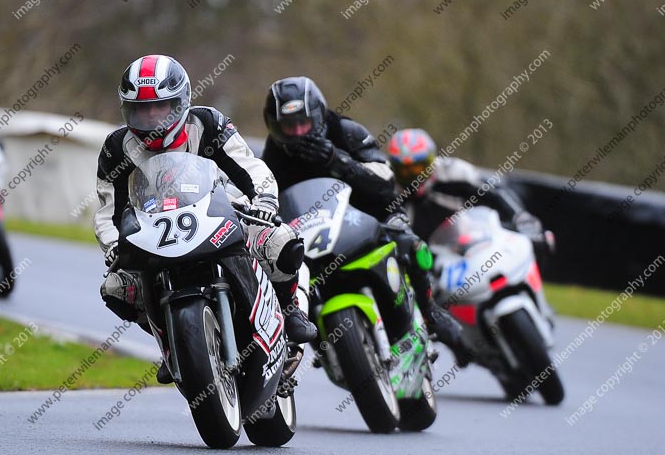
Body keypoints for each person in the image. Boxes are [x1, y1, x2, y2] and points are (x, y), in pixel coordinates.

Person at [96, 55, 317, 384]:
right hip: (156, 229)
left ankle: (288, 308)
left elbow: (249, 166)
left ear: (181, 101)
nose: (151, 118)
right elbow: (107, 206)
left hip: (225, 211)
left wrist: (265, 200)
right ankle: (170, 341)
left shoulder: (209, 123)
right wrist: (114, 246)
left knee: (280, 241)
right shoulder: (117, 148)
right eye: (141, 110)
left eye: (160, 108)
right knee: (114, 287)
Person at [261, 76, 472, 367]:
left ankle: (429, 309)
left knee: (408, 242)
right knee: (281, 270)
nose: (298, 133)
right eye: (289, 126)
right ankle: (309, 343)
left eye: (304, 123)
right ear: (275, 126)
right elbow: (266, 198)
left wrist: (338, 160)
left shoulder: (345, 130)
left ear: (318, 116)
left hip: (369, 212)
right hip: (314, 231)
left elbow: (385, 182)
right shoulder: (273, 156)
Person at [385, 128, 553, 261]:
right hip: (418, 261)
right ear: (394, 168)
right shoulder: (387, 188)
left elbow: (495, 195)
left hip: (465, 251)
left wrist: (523, 221)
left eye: (418, 168)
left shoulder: (453, 172)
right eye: (405, 171)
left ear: (431, 161)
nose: (414, 176)